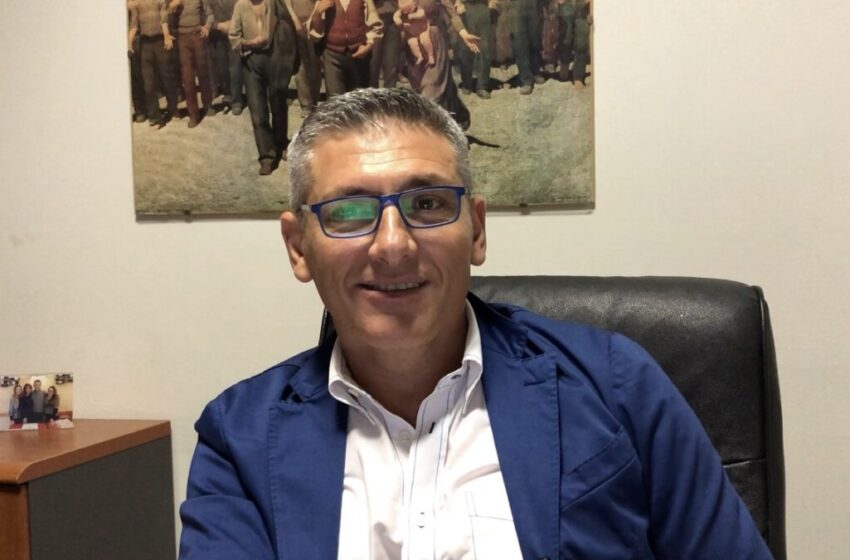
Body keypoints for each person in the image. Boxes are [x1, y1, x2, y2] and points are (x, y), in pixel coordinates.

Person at [179, 88, 774, 559]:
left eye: (428, 204)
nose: (393, 245)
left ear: (478, 231)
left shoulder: (616, 386)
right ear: (298, 248)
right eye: (350, 212)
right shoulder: (242, 440)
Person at [229, 0, 300, 175]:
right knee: (257, 111)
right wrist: (251, 43)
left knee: (278, 106)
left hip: (275, 59)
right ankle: (267, 156)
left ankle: (281, 145)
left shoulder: (274, 3)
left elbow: (290, 29)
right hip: (251, 63)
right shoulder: (241, 6)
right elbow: (233, 37)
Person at [307, 0, 383, 96]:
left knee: (358, 98)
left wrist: (369, 44)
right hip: (332, 57)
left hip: (358, 56)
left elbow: (375, 25)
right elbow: (314, 34)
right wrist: (318, 12)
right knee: (335, 99)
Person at [128, 0, 181, 126]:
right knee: (148, 83)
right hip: (145, 45)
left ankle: (173, 109)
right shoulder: (137, 3)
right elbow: (134, 26)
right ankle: (155, 115)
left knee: (167, 78)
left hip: (160, 42)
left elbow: (164, 21)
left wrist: (166, 36)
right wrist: (129, 43)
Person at [169, 0, 217, 127]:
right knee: (187, 77)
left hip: (198, 37)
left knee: (203, 73)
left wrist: (207, 27)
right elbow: (164, 14)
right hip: (182, 39)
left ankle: (208, 105)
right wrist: (172, 7)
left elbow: (210, 14)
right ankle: (193, 114)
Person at [208, 0, 245, 114]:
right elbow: (203, 14)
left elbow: (245, 7)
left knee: (235, 68)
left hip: (235, 34)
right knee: (222, 67)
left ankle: (236, 101)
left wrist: (233, 23)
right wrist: (217, 25)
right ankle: (227, 95)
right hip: (217, 36)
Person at [394, 0, 435, 67]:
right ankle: (419, 56)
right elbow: (396, 16)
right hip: (412, 32)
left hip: (422, 29)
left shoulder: (418, 9)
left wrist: (414, 16)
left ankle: (430, 56)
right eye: (404, 11)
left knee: (425, 40)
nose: (406, 12)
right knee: (411, 43)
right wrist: (399, 22)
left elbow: (423, 14)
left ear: (414, 4)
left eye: (409, 9)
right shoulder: (400, 12)